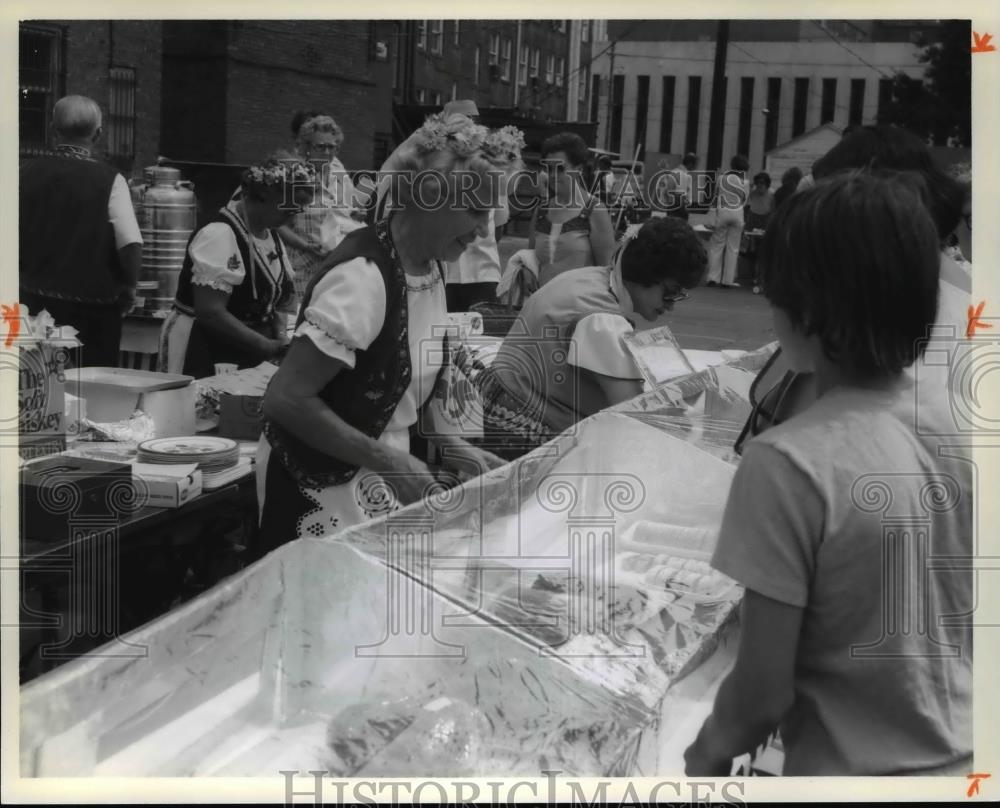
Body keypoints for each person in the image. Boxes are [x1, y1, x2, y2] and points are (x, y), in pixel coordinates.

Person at [685, 173, 971, 777]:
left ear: (804, 307)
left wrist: (706, 750)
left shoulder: (787, 462)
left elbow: (760, 698)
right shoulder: (958, 427)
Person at [255, 113, 522, 550]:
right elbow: (285, 399)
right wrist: (389, 461)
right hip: (324, 480)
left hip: (379, 467)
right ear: (427, 199)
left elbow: (401, 390)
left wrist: (452, 445)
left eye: (489, 212)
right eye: (475, 210)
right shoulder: (362, 279)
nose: (484, 229)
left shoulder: (429, 266)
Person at [479, 217, 706, 459]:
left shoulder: (589, 278)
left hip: (503, 406)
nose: (670, 307)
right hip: (524, 430)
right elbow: (634, 411)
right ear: (646, 273)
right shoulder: (601, 319)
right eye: (670, 293)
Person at [157, 156, 315, 378]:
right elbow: (210, 312)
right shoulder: (219, 234)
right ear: (262, 197)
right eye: (288, 211)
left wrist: (279, 336)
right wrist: (265, 345)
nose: (292, 221)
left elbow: (278, 300)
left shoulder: (271, 236)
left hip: (244, 346)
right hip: (202, 344)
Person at [20, 95, 143, 367]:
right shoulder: (111, 180)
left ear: (54, 129)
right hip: (91, 313)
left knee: (35, 387)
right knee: (90, 392)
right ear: (98, 134)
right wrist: (130, 287)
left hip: (30, 303)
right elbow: (130, 244)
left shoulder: (23, 172)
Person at [278, 114, 366, 301]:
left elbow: (347, 209)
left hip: (333, 265)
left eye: (332, 147)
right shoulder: (294, 174)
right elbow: (278, 224)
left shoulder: (338, 172)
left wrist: (355, 214)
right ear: (307, 146)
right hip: (301, 266)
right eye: (320, 146)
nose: (327, 152)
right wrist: (307, 246)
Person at [440, 99, 508, 312]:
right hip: (457, 271)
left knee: (476, 339)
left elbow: (500, 218)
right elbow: (500, 218)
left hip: (476, 271)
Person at [530, 132, 616, 287]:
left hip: (580, 307)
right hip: (540, 306)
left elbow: (606, 273)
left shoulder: (594, 210)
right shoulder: (542, 210)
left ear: (579, 169)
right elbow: (529, 262)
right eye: (549, 169)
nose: (553, 175)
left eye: (560, 169)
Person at [705, 154, 750, 288]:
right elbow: (744, 201)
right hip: (737, 214)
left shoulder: (721, 178)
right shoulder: (746, 182)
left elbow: (715, 195)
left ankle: (712, 278)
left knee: (717, 245)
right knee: (733, 248)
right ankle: (728, 280)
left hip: (723, 212)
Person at [653, 152, 697, 220]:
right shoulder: (681, 175)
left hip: (673, 208)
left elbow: (666, 191)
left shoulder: (675, 173)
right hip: (677, 209)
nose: (695, 167)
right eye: (695, 164)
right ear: (690, 164)